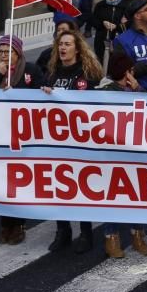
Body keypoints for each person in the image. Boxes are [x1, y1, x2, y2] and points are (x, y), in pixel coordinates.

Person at [0, 35, 45, 244]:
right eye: (0, 51)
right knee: (2, 180)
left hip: (23, 133)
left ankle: (19, 223)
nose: (4, 55)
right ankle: (6, 223)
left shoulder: (31, 69)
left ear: (18, 53)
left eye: (8, 51)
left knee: (18, 179)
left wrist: (17, 93)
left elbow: (41, 91)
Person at [43, 30, 104, 252]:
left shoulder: (87, 73)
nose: (63, 48)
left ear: (77, 48)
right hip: (57, 140)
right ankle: (63, 230)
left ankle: (85, 232)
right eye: (60, 44)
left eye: (67, 44)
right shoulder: (52, 72)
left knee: (80, 187)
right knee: (60, 187)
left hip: (81, 140)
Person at [97, 55, 147, 258]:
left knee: (135, 194)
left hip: (133, 151)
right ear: (125, 71)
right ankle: (111, 236)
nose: (133, 74)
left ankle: (138, 234)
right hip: (112, 153)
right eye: (130, 70)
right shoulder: (106, 90)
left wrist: (138, 90)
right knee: (113, 195)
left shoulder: (134, 89)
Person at [92, 0, 128, 65]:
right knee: (102, 63)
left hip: (118, 39)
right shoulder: (100, 5)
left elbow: (128, 23)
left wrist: (117, 26)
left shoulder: (124, 6)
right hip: (102, 40)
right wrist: (103, 23)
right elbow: (93, 21)